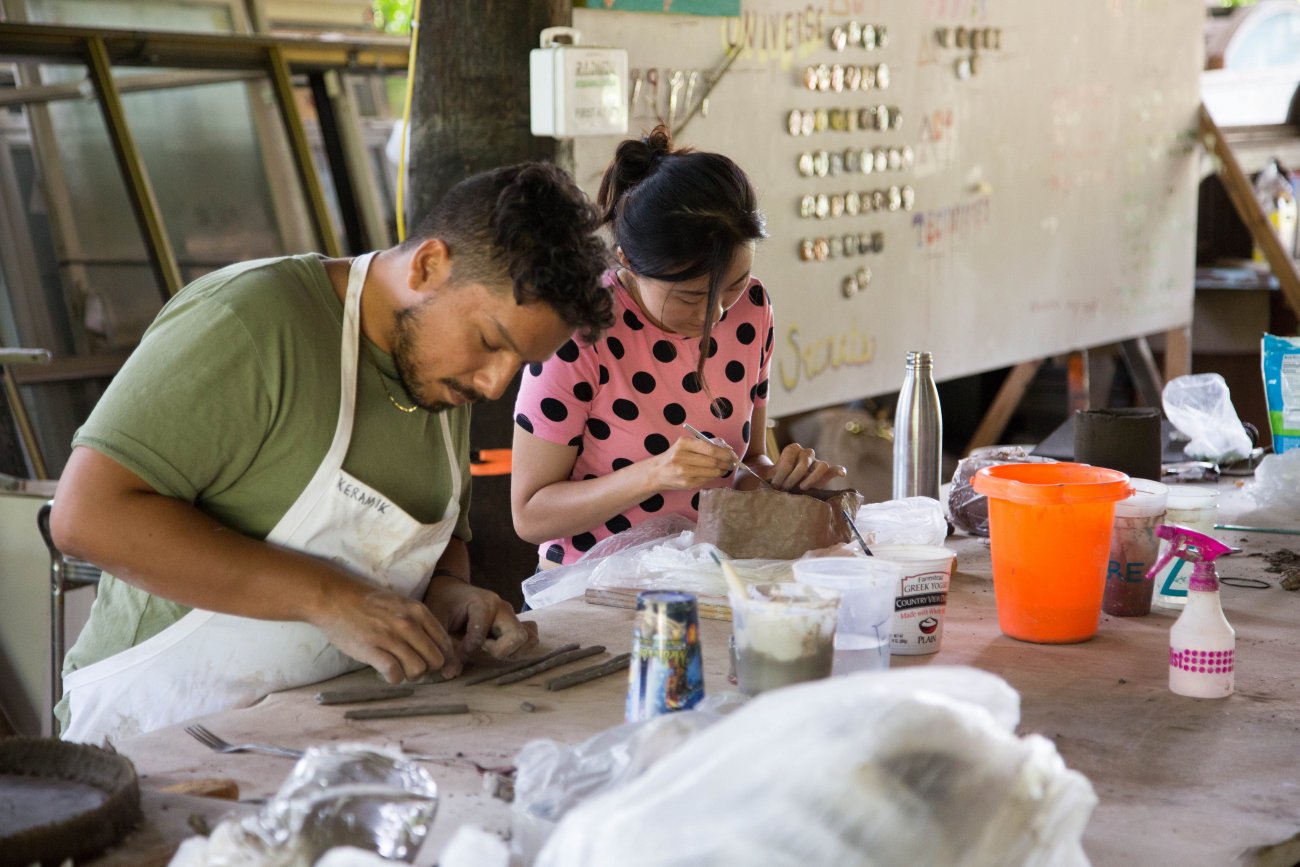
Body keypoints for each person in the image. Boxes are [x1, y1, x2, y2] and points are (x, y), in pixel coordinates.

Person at [50, 162, 613, 742]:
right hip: (156, 729)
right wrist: (327, 598)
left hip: (316, 736)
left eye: (518, 363)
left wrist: (450, 596)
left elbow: (442, 543)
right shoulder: (253, 320)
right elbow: (86, 517)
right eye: (491, 342)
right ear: (428, 266)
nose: (496, 384)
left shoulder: (444, 376)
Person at [511, 127, 845, 568]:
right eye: (691, 297)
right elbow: (530, 515)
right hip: (589, 587)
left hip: (704, 575)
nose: (719, 316)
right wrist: (655, 474)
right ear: (628, 262)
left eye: (735, 285)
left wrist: (782, 480)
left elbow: (749, 463)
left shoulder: (752, 309)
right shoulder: (580, 330)